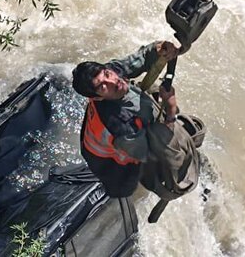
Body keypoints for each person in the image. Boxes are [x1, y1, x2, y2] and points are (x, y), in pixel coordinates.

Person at [71, 41, 203, 199]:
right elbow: (148, 153)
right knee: (125, 187)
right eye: (102, 86)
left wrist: (158, 50)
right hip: (113, 166)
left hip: (98, 143)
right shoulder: (120, 125)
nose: (113, 82)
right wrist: (170, 110)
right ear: (97, 98)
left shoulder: (110, 73)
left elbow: (136, 60)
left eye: (107, 74)